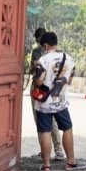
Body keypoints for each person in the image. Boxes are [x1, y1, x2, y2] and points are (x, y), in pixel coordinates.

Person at [32, 31, 86, 171]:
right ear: (55, 43)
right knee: (67, 128)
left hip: (44, 103)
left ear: (45, 45)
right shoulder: (69, 59)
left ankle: (46, 166)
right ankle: (70, 162)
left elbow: (39, 81)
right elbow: (69, 81)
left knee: (45, 131)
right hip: (61, 102)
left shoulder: (42, 61)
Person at [29, 27, 64, 160]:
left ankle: (45, 152)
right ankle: (58, 150)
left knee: (40, 121)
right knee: (53, 120)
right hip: (54, 88)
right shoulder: (60, 54)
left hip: (40, 89)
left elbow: (35, 71)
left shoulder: (37, 52)